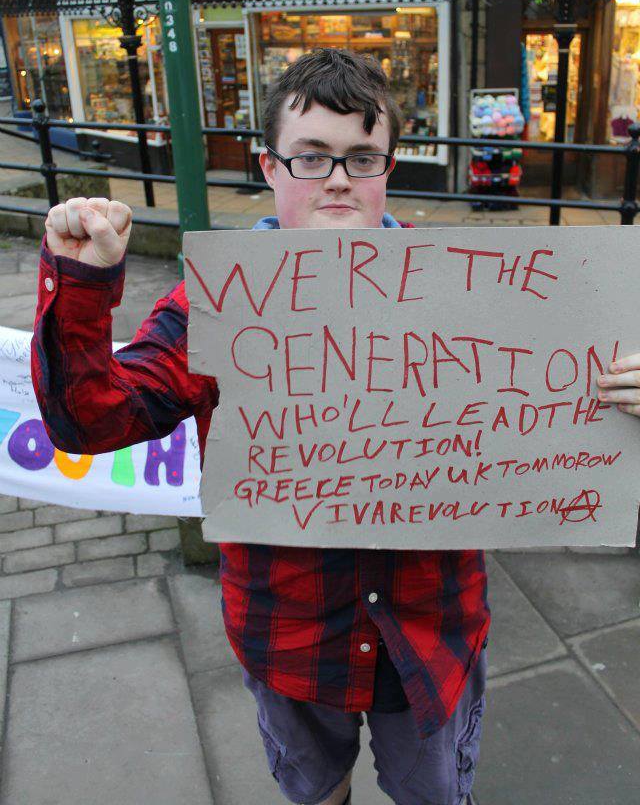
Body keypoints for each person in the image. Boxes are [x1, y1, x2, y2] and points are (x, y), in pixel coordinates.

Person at [30, 48, 639, 805]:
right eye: (312, 157)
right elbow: (90, 421)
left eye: (362, 157)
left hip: (431, 628)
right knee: (317, 789)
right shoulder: (217, 304)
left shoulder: (477, 289)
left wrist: (622, 396)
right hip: (289, 628)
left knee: (435, 793)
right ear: (270, 167)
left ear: (389, 166)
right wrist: (82, 283)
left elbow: (561, 398)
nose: (340, 179)